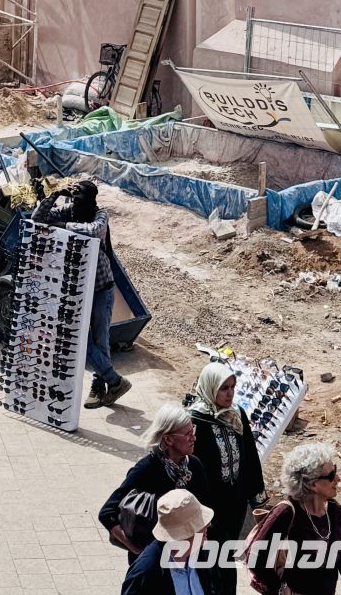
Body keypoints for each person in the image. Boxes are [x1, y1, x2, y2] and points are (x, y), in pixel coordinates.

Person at [244, 442, 341, 595]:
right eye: (331, 475)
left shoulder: (333, 510)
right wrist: (281, 589)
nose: (337, 478)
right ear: (312, 484)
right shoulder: (286, 512)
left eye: (335, 470)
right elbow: (255, 557)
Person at [99, 404, 210, 564]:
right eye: (187, 434)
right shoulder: (147, 468)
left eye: (193, 431)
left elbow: (205, 511)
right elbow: (107, 513)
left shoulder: (194, 466)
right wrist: (137, 550)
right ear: (168, 439)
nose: (193, 438)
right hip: (154, 564)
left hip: (186, 560)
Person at [189, 364, 266, 593]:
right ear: (210, 387)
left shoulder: (237, 414)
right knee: (213, 559)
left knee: (225, 554)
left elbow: (250, 457)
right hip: (209, 506)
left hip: (235, 503)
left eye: (233, 387)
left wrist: (258, 500)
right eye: (223, 388)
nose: (230, 393)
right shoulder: (195, 420)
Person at [58, 178, 131, 406]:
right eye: (74, 199)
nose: (76, 204)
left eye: (80, 200)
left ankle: (99, 387)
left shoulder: (100, 215)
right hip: (78, 289)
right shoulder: (69, 210)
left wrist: (65, 227)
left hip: (101, 288)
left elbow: (94, 231)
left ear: (91, 200)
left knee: (101, 340)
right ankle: (114, 380)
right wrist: (53, 196)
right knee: (79, 337)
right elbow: (38, 217)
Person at [121, 488, 224, 595]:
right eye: (200, 523)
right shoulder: (144, 574)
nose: (208, 525)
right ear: (184, 534)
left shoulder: (202, 553)